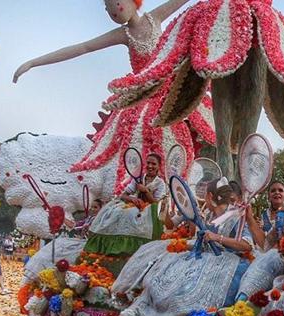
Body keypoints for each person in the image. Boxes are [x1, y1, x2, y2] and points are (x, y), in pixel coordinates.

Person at [13, 0, 213, 194]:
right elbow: (83, 47)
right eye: (108, 10)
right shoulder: (123, 34)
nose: (113, 13)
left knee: (182, 142)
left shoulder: (154, 18)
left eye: (115, 4)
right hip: (143, 101)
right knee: (138, 150)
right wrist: (33, 62)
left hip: (171, 93)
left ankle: (177, 193)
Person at [112, 178, 254, 316]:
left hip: (225, 264)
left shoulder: (234, 216)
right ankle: (140, 305)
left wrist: (217, 238)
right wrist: (165, 212)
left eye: (205, 194)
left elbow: (247, 245)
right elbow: (171, 225)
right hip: (200, 257)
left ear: (210, 196)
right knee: (165, 265)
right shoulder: (207, 214)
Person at [84, 153, 166, 257]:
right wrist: (131, 198)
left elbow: (156, 203)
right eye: (148, 163)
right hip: (133, 205)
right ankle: (110, 247)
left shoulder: (160, 183)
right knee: (117, 212)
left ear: (159, 166)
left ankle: (132, 248)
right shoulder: (138, 178)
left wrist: (146, 191)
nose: (150, 166)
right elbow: (123, 195)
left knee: (130, 214)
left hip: (149, 210)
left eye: (153, 164)